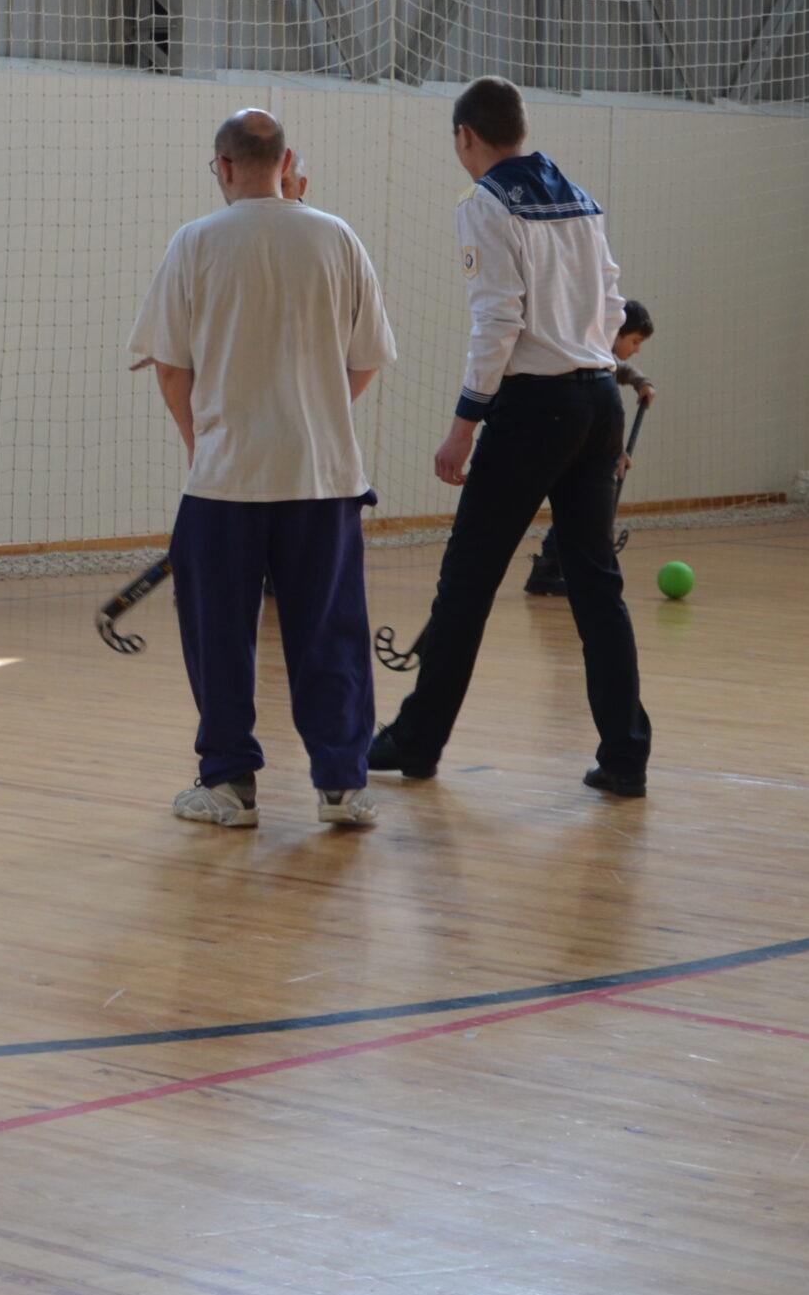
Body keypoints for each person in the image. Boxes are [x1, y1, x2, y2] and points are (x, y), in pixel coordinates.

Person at [372, 76, 652, 797]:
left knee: (467, 580)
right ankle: (625, 756)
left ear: (466, 136)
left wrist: (463, 426)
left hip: (533, 411)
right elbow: (615, 300)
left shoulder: (485, 205)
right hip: (597, 400)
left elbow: (498, 321)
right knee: (597, 587)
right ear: (519, 129)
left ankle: (417, 741)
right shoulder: (579, 195)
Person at [128, 111, 397, 830]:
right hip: (324, 476)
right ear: (287, 161)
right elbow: (366, 358)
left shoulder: (194, 242)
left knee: (220, 637)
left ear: (221, 166)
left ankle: (229, 786)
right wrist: (319, 415)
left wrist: (199, 439)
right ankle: (342, 785)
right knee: (330, 633)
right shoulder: (336, 236)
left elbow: (170, 366)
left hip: (225, 480)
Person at [524, 299, 657, 595]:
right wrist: (617, 453)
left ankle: (553, 567)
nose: (636, 349)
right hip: (573, 445)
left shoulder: (601, 358)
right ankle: (553, 568)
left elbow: (622, 369)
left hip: (581, 445)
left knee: (578, 511)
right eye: (634, 341)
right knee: (581, 510)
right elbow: (605, 417)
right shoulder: (593, 361)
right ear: (616, 334)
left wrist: (641, 382)